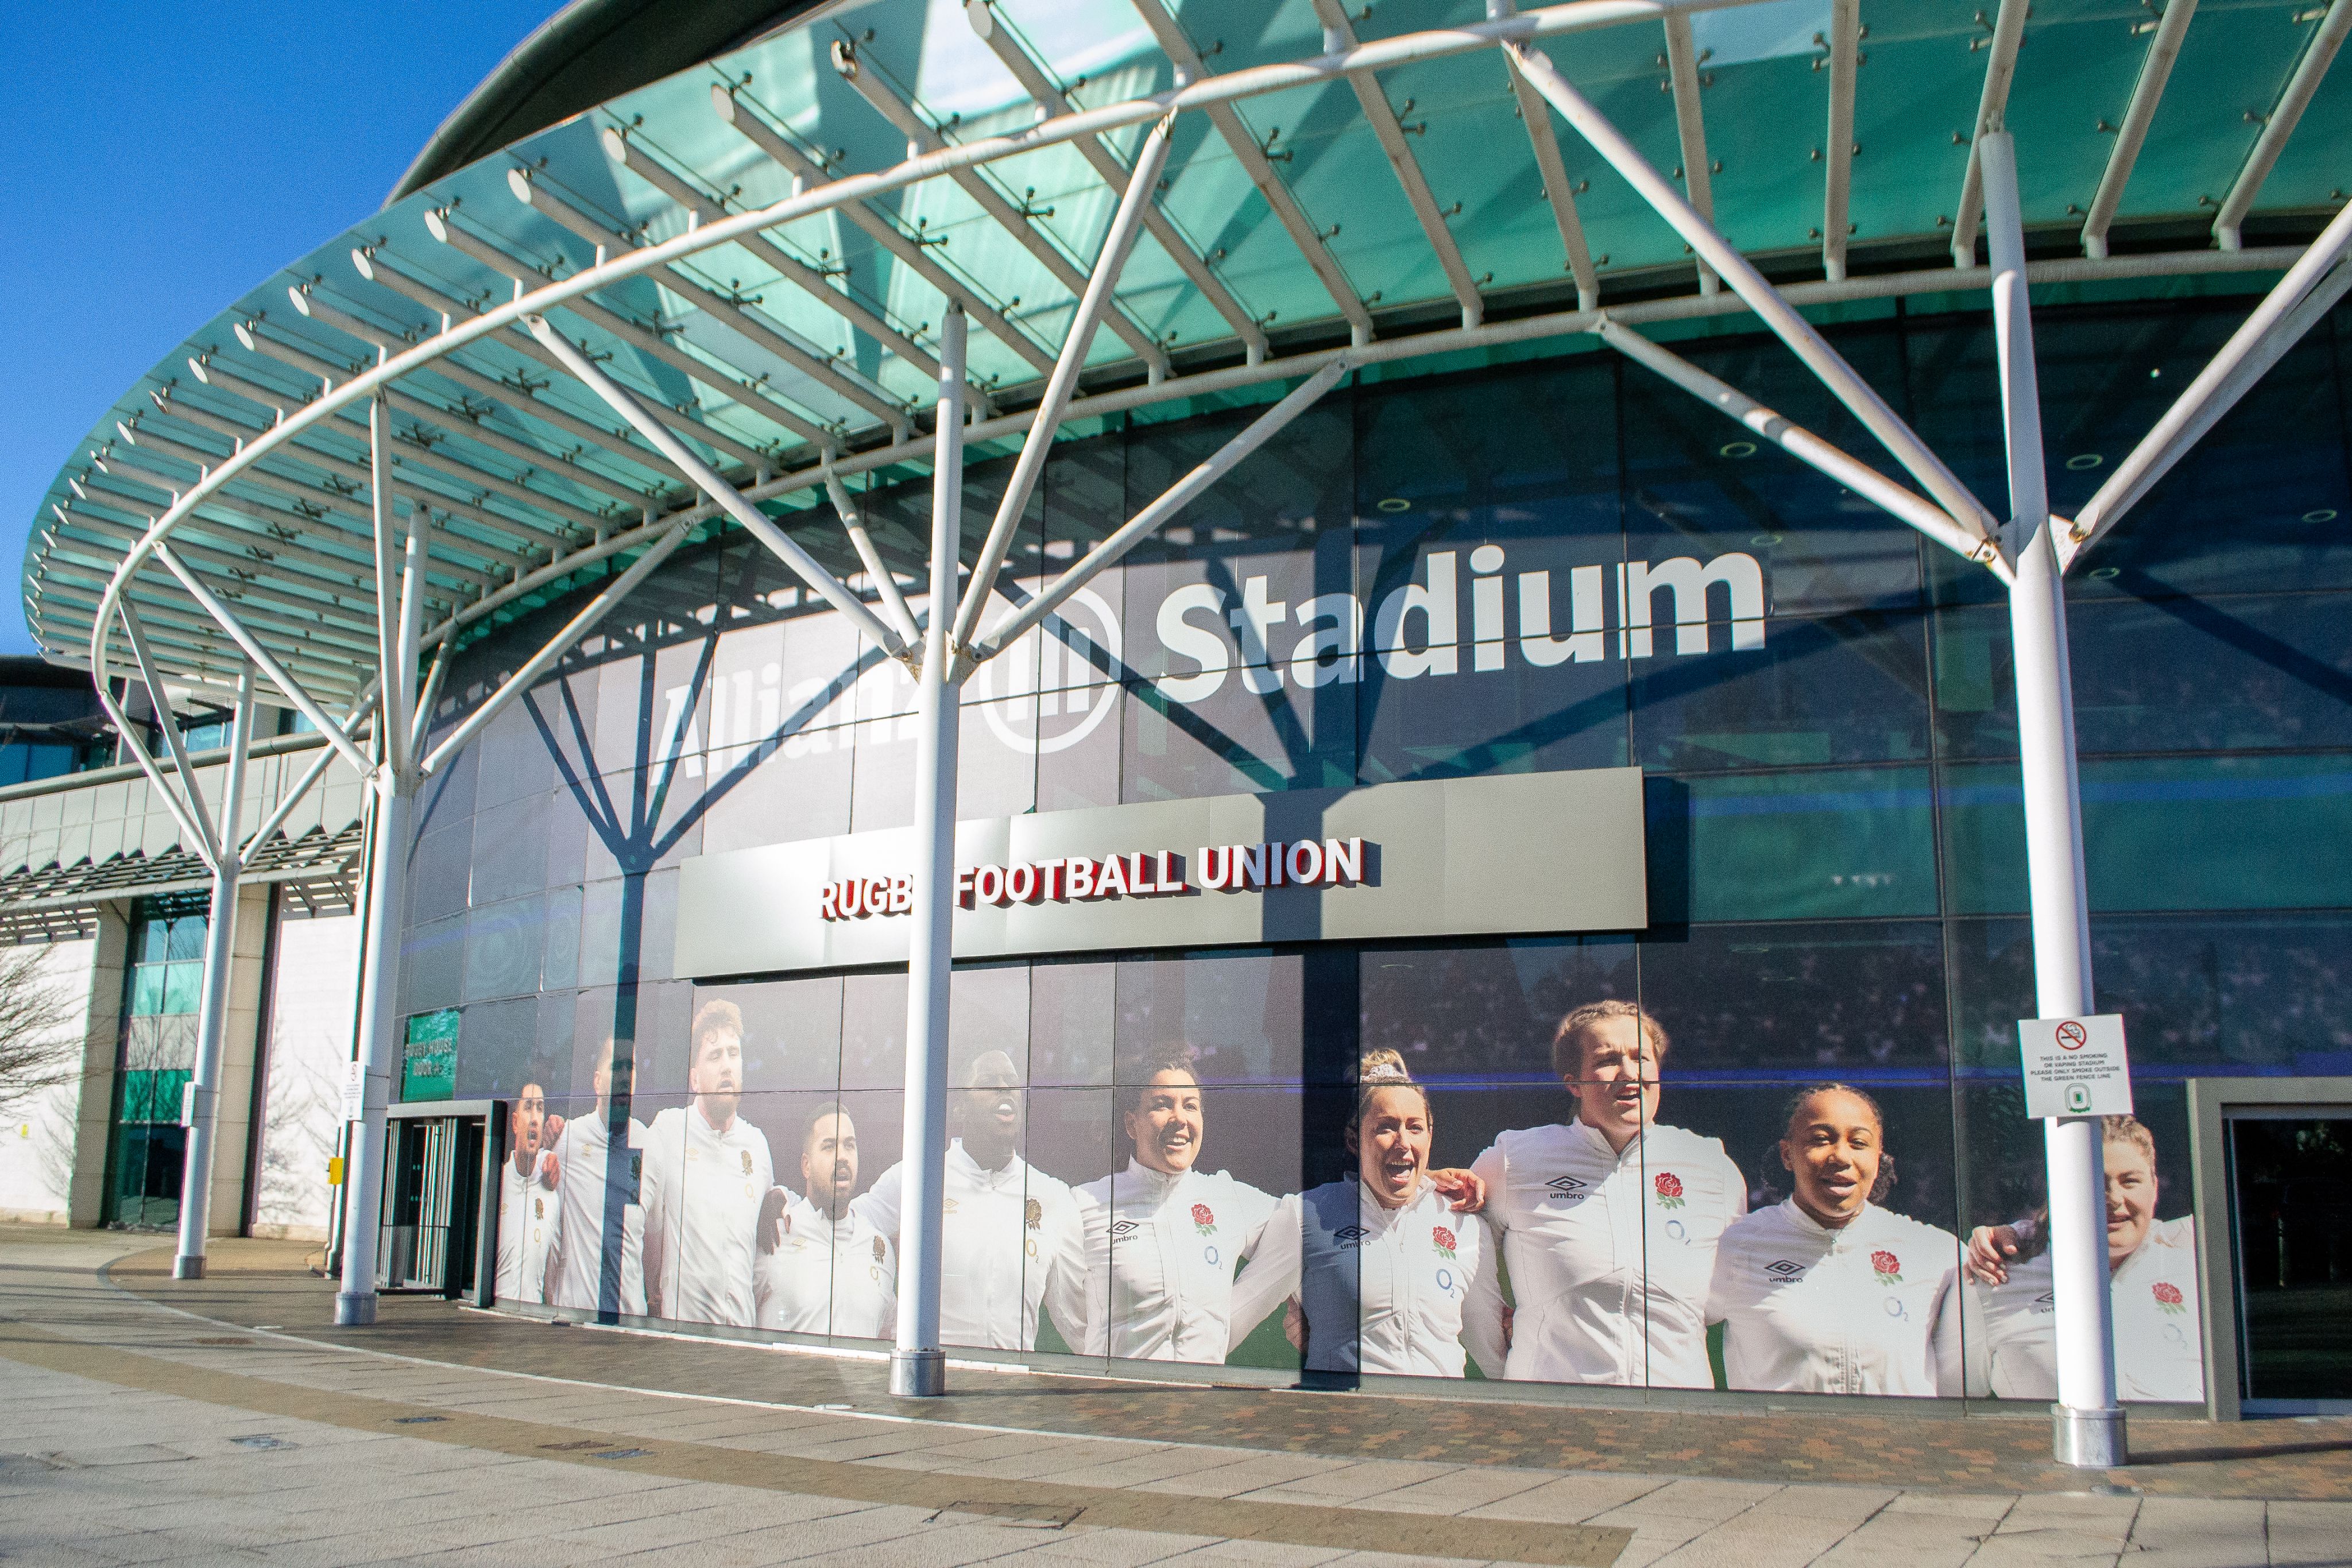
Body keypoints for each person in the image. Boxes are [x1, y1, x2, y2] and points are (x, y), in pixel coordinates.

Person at [1465, 1000, 1746, 1387]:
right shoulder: (1515, 1159)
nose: (1629, 1073)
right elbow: (1467, 1277)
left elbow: (1723, 1297)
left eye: (1641, 1057)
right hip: (1556, 1418)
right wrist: (1511, 1376)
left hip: (1678, 1419)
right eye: (1608, 1059)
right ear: (1574, 1082)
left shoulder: (1711, 1166)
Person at [1228, 1051, 1506, 1377]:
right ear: (1354, 1140)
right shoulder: (1308, 1217)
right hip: (1345, 1422)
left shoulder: (1464, 1224)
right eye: (1386, 1128)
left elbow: (1493, 1350)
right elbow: (1232, 1320)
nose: (1403, 1142)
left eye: (1415, 1127)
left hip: (1438, 1423)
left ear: (1430, 1135)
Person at [1707, 1083, 1960, 1396]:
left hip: (1897, 1444)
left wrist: (2003, 1238)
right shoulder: (1736, 1246)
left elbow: (1966, 1381)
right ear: (1788, 1154)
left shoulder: (1936, 1254)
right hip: (1777, 1444)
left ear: (1878, 1157)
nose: (1840, 1156)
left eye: (1859, 1143)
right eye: (1821, 1140)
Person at [1955, 1114, 2203, 1403]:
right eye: (2094, 1179)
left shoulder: (2195, 1256)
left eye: (2130, 1181)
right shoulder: (1998, 1274)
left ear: (2155, 1186)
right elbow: (1958, 1402)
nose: (2114, 1199)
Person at [852, 1049, 1086, 1353]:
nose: (1005, 1090)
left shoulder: (1051, 1195)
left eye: (1012, 1083)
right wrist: (780, 1199)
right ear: (960, 1109)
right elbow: (843, 1225)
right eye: (990, 1083)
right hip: (932, 1389)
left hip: (1010, 1391)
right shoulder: (918, 1178)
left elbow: (1079, 1321)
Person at [1073, 1047, 1281, 1362]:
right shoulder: (1087, 1204)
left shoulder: (1227, 1197)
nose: (1180, 1119)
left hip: (1200, 1404)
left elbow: (1307, 1230)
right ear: (1132, 1124)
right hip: (1119, 1404)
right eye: (1162, 1105)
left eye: (1191, 1106)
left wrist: (1300, 1301)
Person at [641, 1000, 775, 1327]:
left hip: (742, 1343)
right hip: (683, 1344)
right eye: (715, 1056)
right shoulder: (668, 1131)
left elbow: (764, 1244)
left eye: (734, 1053)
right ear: (694, 1079)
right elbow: (646, 1231)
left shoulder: (757, 1145)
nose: (727, 1065)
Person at [755, 1103, 896, 1338]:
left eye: (849, 1145)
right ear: (806, 1166)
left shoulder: (879, 1247)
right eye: (829, 1147)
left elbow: (885, 1332)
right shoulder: (776, 1235)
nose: (842, 1157)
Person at [544, 1036, 648, 1318]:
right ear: (597, 1081)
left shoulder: (650, 1145)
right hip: (576, 1321)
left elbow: (654, 1239)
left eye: (632, 1067)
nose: (626, 1076)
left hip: (631, 1325)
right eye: (617, 1067)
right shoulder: (567, 1140)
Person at [494, 1077, 559, 1305]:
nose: (534, 1117)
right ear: (514, 1123)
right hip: (489, 1321)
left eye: (540, 1109)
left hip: (531, 1330)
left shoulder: (552, 1196)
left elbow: (552, 1277)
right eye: (528, 1107)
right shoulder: (496, 1184)